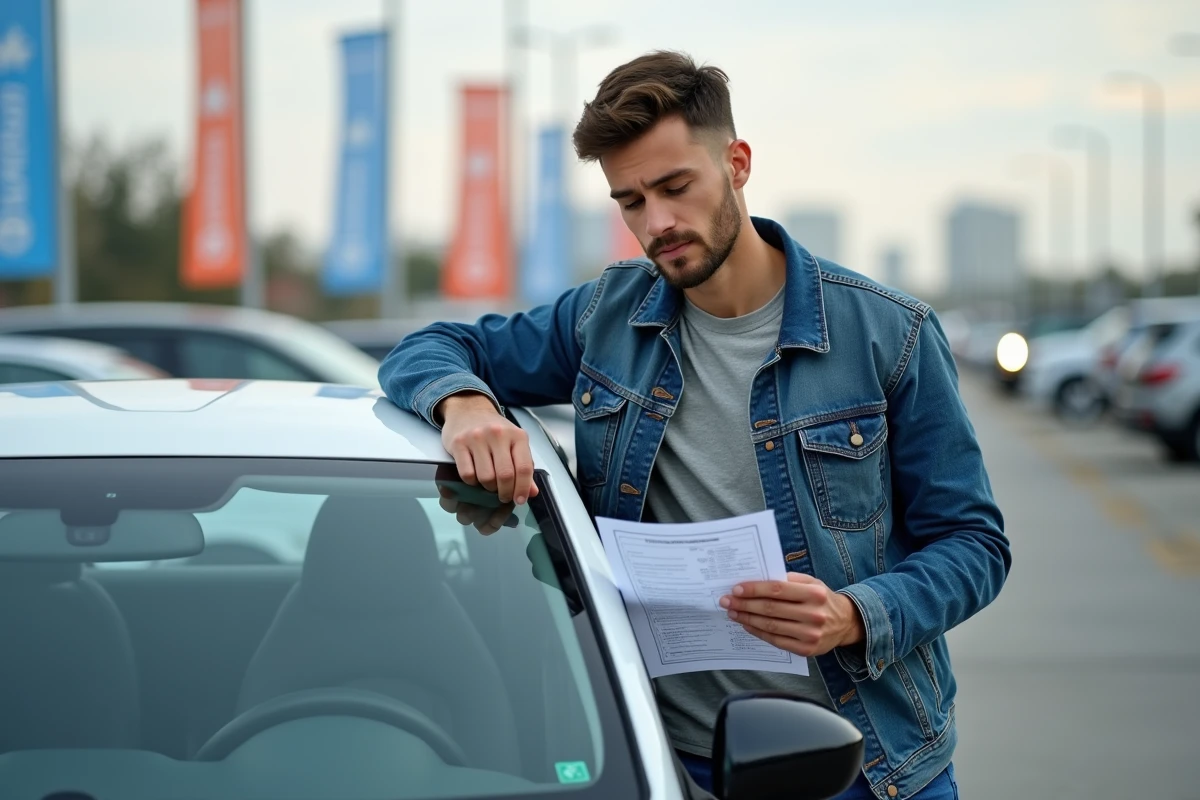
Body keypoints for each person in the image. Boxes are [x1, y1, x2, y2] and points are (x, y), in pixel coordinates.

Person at [379, 50, 1009, 800]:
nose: (658, 223)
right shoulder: (604, 318)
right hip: (665, 763)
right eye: (631, 201)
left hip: (870, 765)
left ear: (736, 163)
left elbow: (975, 544)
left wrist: (853, 614)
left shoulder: (888, 332)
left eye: (676, 187)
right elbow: (429, 347)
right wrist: (466, 404)